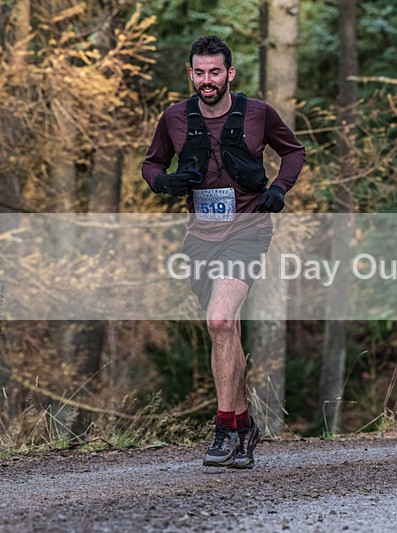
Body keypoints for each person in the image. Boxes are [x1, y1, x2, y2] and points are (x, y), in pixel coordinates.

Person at [142, 35, 305, 468]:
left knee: (219, 319)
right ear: (190, 73)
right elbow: (151, 164)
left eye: (216, 72)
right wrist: (164, 183)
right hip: (200, 237)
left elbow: (293, 151)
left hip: (248, 230)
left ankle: (222, 428)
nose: (207, 80)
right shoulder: (174, 118)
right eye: (199, 72)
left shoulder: (258, 113)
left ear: (229, 73)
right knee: (224, 330)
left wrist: (278, 190)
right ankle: (244, 425)